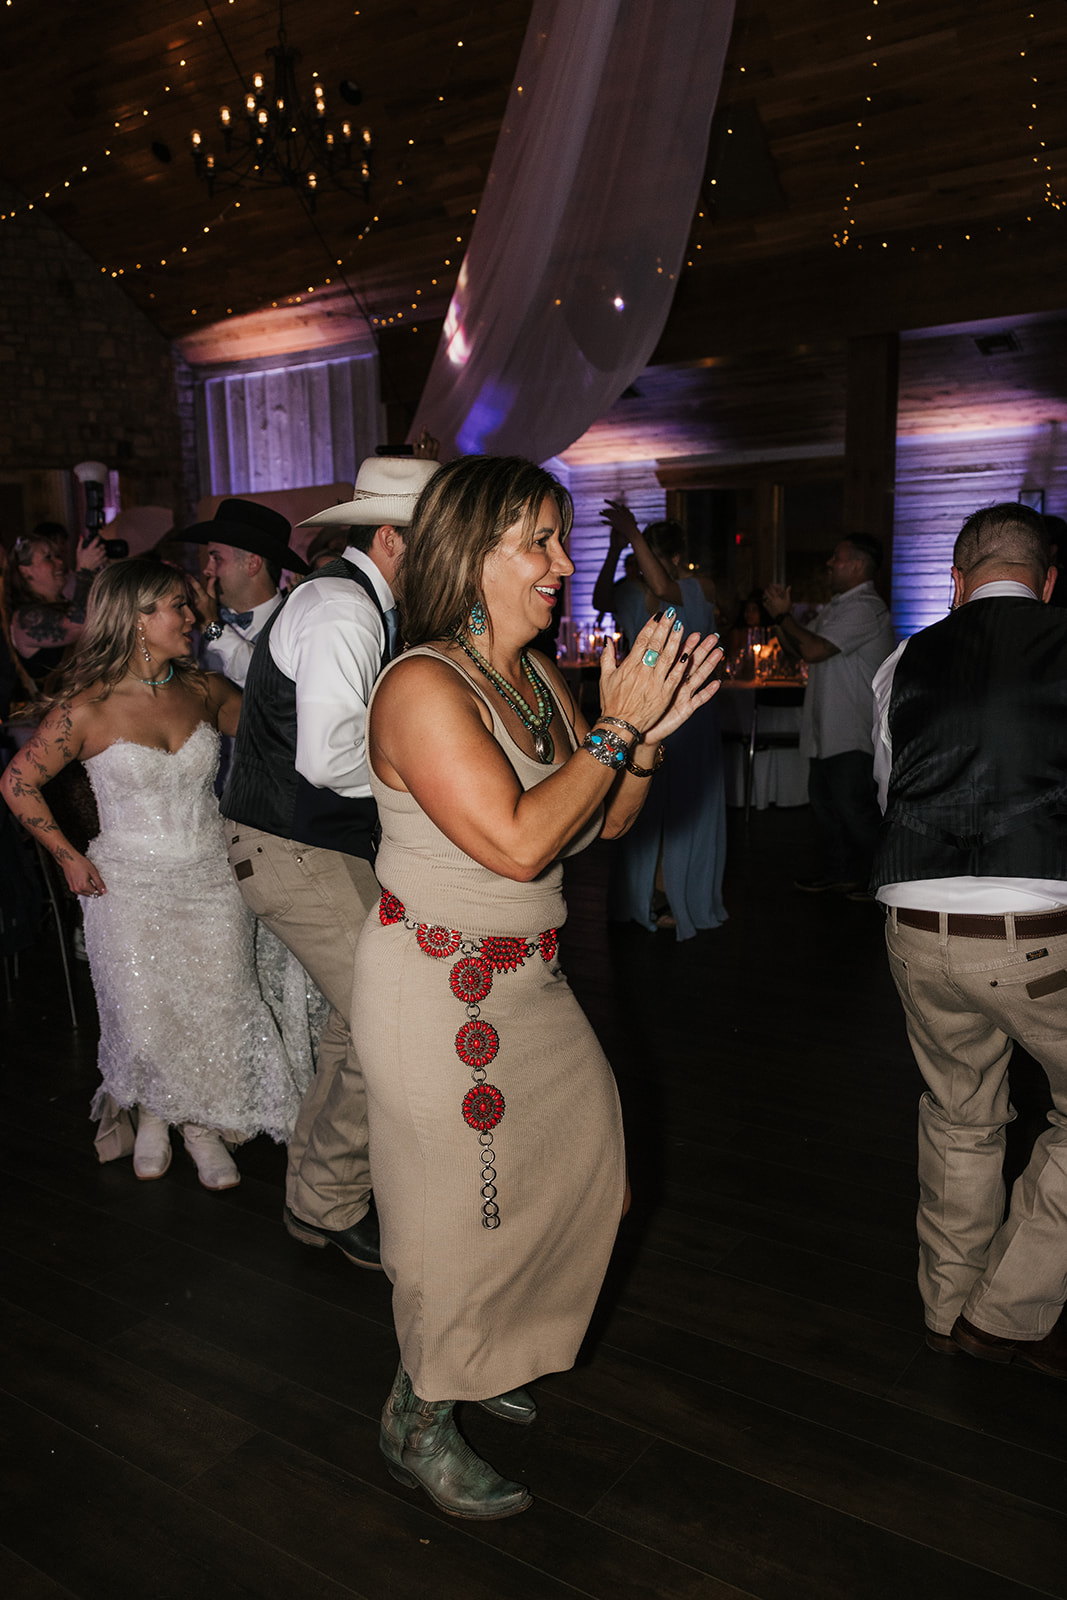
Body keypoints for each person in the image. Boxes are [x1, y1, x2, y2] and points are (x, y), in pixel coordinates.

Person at [355, 455, 722, 1518]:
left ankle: (480, 1351)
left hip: (529, 979)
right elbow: (520, 847)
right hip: (439, 990)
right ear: (471, 556)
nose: (562, 563)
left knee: (584, 1175)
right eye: (538, 541)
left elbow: (597, 825)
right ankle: (417, 1412)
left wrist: (639, 741)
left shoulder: (536, 679)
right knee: (456, 1215)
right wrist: (616, 728)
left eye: (560, 537)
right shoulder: (421, 686)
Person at [0, 559, 304, 1190]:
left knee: (220, 1005)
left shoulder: (205, 690)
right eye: (176, 606)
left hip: (211, 878)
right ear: (137, 618)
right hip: (129, 884)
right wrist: (67, 855)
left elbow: (279, 734)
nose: (190, 617)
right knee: (147, 1014)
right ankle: (157, 1116)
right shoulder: (86, 708)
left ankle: (201, 1126)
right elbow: (17, 782)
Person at [221, 455, 442, 1270]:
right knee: (388, 1024)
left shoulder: (351, 602)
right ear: (391, 539)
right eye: (437, 543)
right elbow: (326, 760)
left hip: (308, 845)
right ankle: (332, 1198)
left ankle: (320, 1197)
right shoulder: (343, 608)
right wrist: (430, 780)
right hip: (293, 848)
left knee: (362, 1025)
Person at [871, 502, 1067, 1377]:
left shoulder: (904, 659)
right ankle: (1004, 1312)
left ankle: (945, 1305)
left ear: (955, 581)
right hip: (1036, 927)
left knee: (958, 1114)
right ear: (1046, 582)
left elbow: (891, 789)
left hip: (913, 922)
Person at [594, 500, 727, 938]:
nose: (640, 561)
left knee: (688, 807)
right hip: (645, 707)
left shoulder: (698, 587)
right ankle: (643, 895)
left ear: (672, 556)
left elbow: (665, 588)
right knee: (644, 804)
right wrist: (616, 547)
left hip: (691, 711)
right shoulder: (633, 590)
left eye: (647, 552)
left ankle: (679, 893)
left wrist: (633, 532)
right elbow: (599, 599)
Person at [764, 535, 895, 896]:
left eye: (836, 558)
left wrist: (785, 616)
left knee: (856, 812)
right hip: (827, 729)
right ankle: (842, 873)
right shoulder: (840, 606)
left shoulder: (865, 608)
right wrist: (779, 619)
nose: (829, 564)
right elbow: (798, 648)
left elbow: (815, 649)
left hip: (850, 730)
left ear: (858, 565)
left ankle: (882, 882)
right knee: (828, 810)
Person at [183, 498, 309, 688]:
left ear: (252, 564)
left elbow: (270, 684)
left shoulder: (298, 623)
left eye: (217, 558)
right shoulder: (196, 623)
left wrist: (213, 628)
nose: (207, 570)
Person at [5, 523, 107, 688]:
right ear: (25, 571)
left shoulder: (65, 604)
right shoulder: (24, 619)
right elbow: (78, 627)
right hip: (60, 703)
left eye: (57, 556)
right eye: (48, 558)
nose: (59, 562)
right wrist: (85, 571)